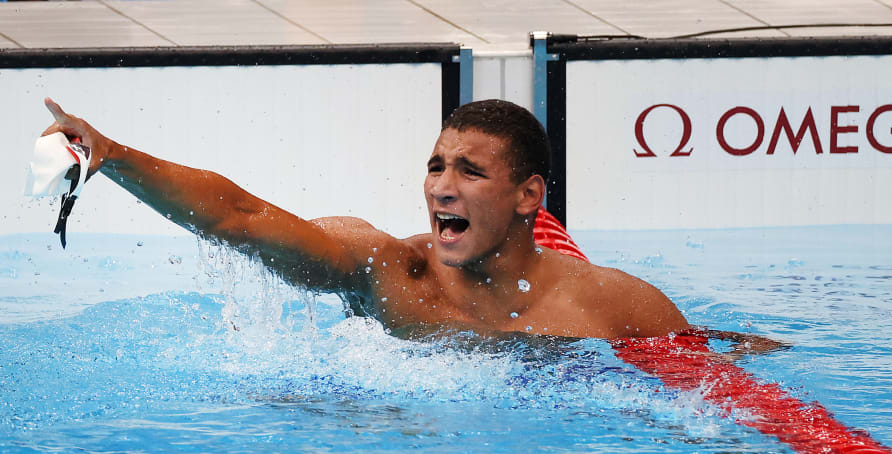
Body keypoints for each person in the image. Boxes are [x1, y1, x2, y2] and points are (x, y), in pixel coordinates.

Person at [42, 97, 690, 340]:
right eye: (436, 166)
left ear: (528, 194)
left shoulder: (611, 302)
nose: (441, 187)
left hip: (538, 252)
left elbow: (719, 386)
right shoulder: (388, 270)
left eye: (469, 171)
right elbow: (240, 217)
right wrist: (116, 155)